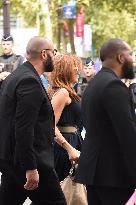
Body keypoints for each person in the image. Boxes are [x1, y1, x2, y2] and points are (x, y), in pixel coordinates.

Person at [0, 36, 67, 205]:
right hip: (30, 162)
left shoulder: (17, 76)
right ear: (44, 54)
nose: (56, 56)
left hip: (13, 160)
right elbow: (23, 128)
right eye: (54, 52)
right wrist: (30, 167)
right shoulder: (28, 81)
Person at [75, 38, 136, 205]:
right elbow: (127, 134)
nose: (132, 59)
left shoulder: (94, 84)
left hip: (97, 173)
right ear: (121, 57)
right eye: (130, 55)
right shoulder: (113, 86)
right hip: (113, 174)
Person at [48, 54, 83, 181]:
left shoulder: (66, 91)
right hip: (63, 148)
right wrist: (69, 149)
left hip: (71, 142)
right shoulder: (63, 92)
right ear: (66, 70)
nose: (78, 71)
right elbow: (50, 125)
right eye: (75, 68)